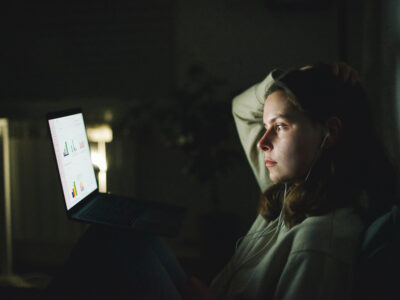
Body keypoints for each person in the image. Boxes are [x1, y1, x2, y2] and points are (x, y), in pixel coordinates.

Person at [46, 62, 397, 300]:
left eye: (280, 127)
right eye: (266, 127)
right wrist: (299, 75)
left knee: (108, 248)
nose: (263, 143)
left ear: (330, 133)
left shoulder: (320, 238)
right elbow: (242, 108)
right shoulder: (290, 190)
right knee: (120, 235)